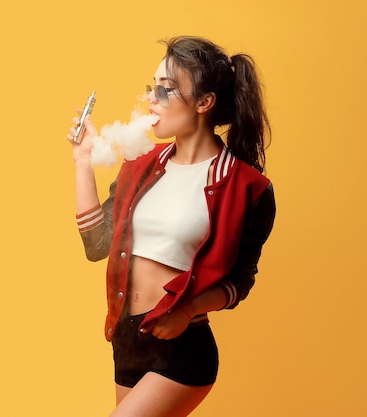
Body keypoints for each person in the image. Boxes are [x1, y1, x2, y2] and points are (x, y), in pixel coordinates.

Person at [66, 35, 276, 417]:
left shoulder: (247, 187)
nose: (151, 99)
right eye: (153, 87)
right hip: (126, 340)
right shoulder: (140, 165)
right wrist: (83, 162)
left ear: (204, 102)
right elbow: (97, 245)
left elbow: (240, 281)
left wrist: (187, 310)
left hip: (182, 348)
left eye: (166, 90)